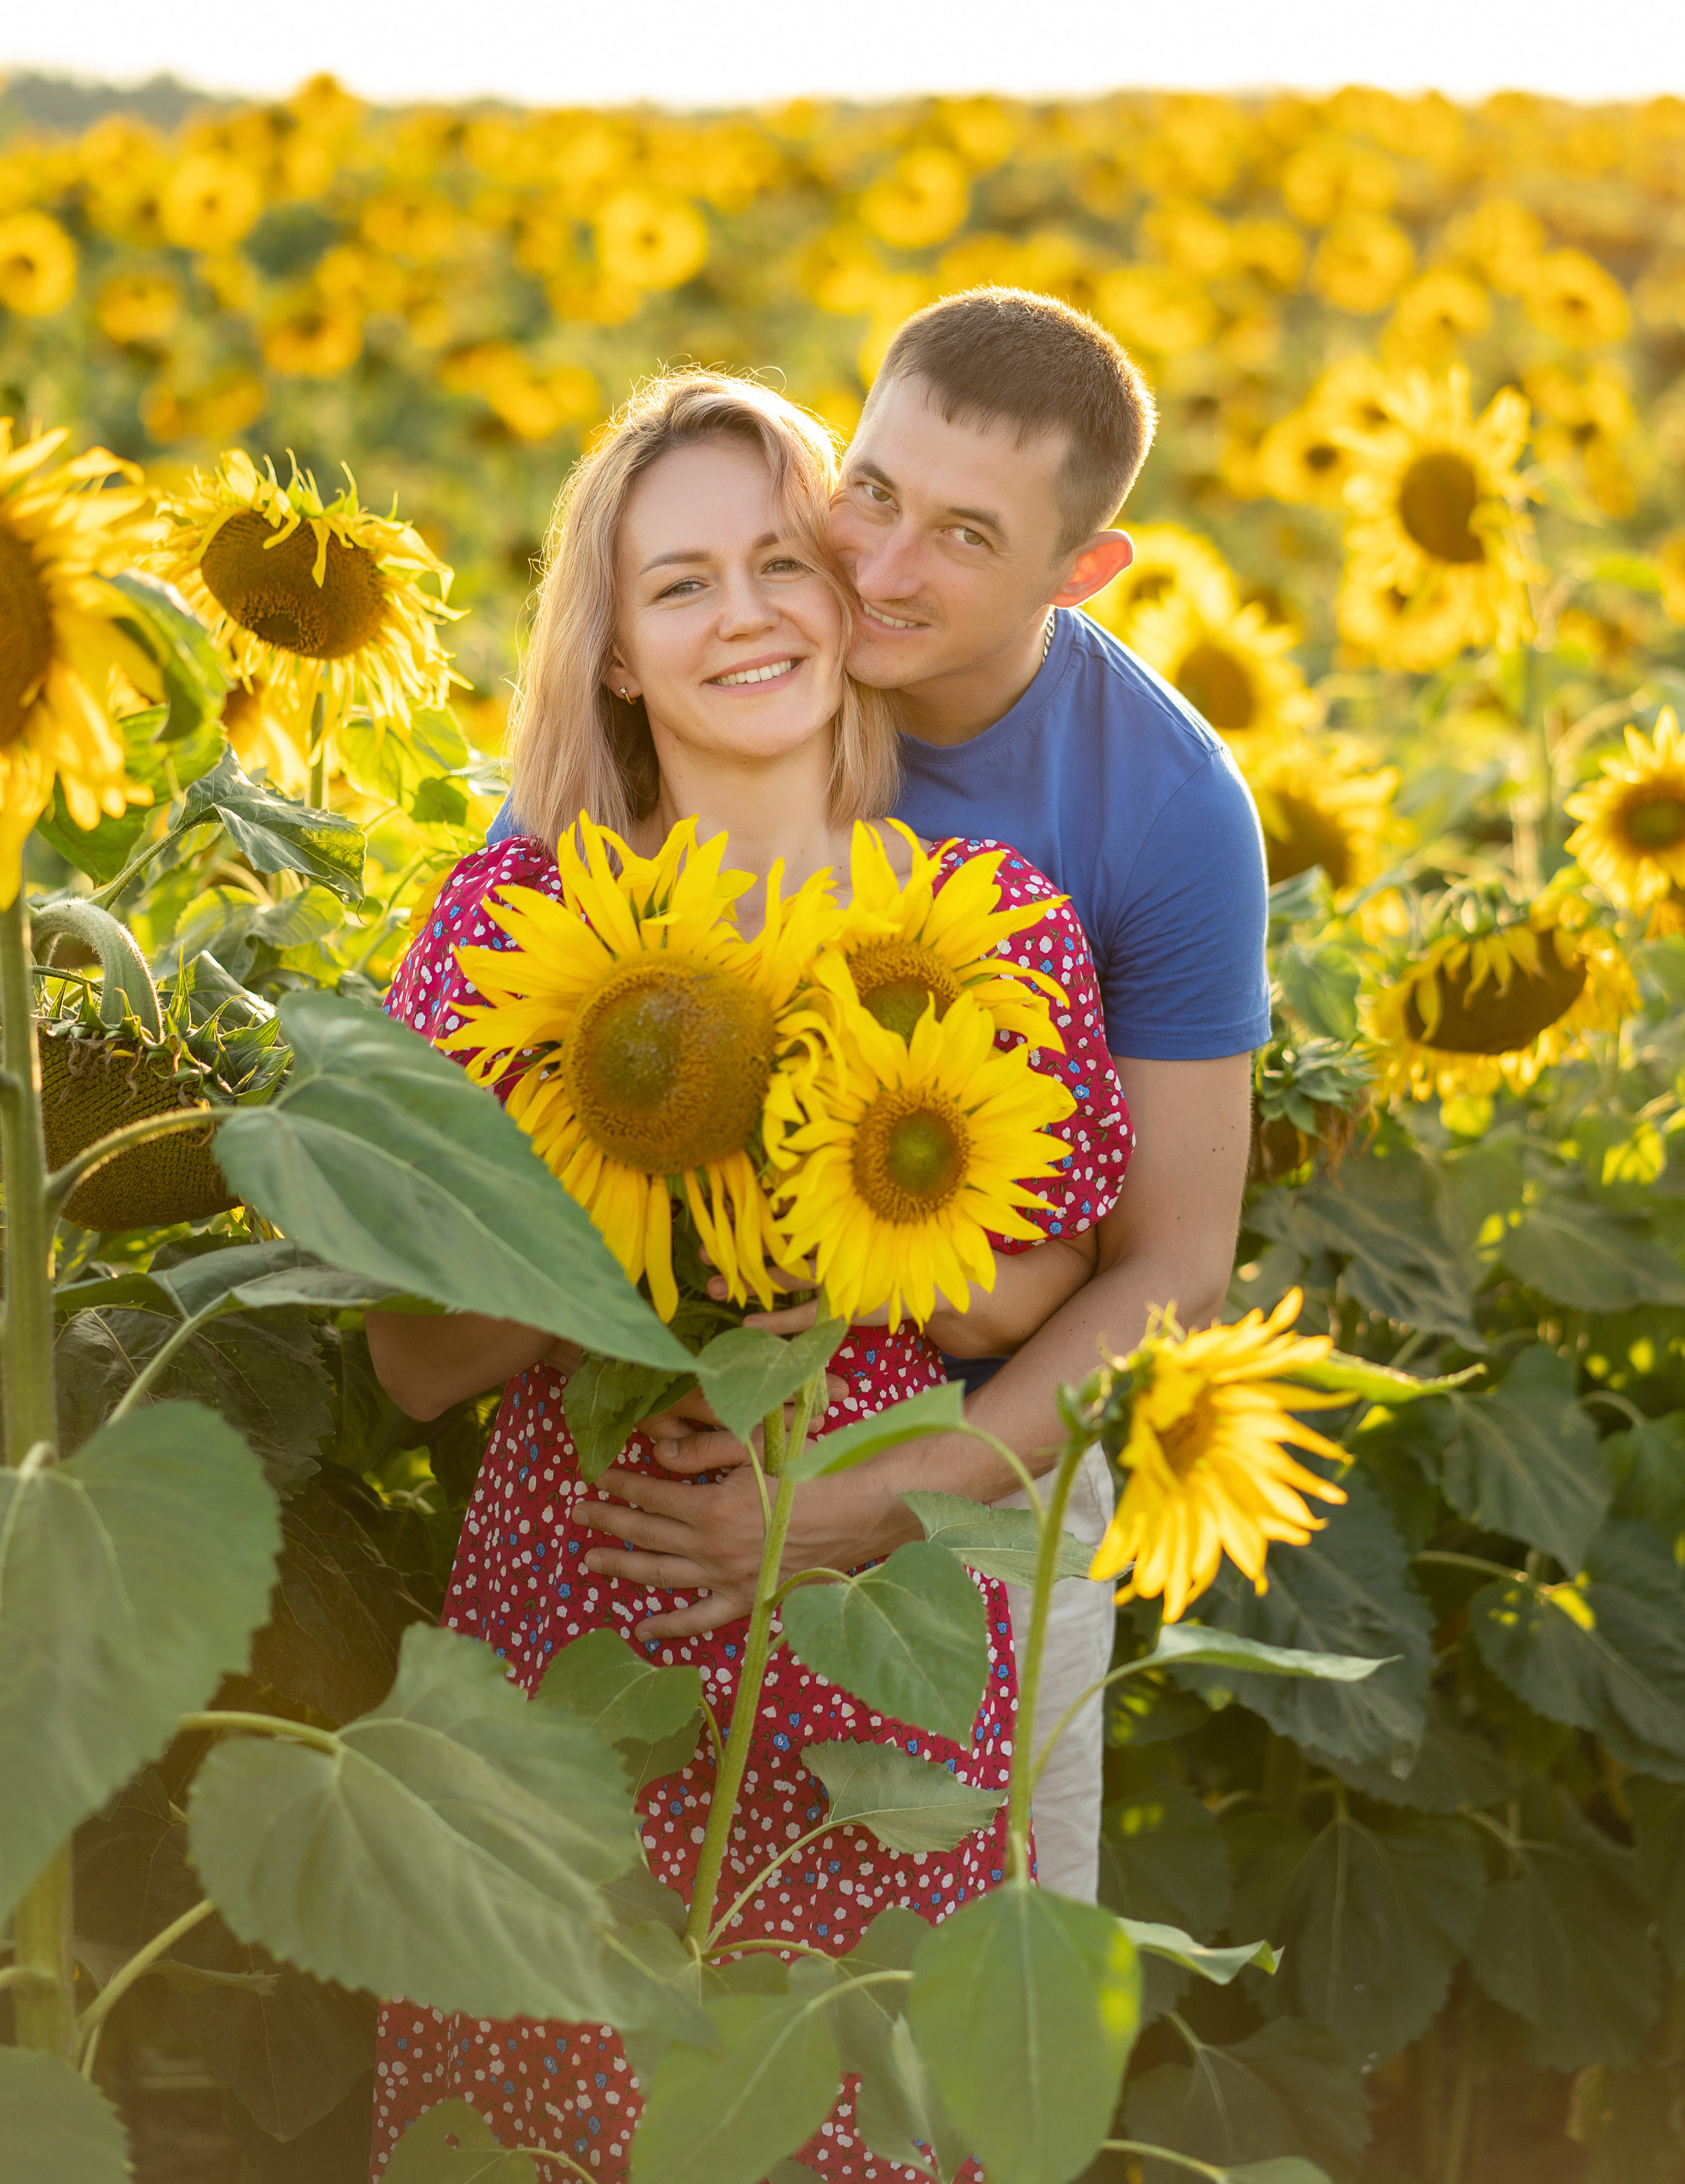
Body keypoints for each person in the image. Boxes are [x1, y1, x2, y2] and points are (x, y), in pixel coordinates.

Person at [364, 369, 1132, 2182]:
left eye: (781, 562)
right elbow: (408, 1356)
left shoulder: (979, 919)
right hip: (579, 1641)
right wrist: (633, 1187)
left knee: (853, 2107)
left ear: (842, 605)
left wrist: (844, 1188)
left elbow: (1046, 1299)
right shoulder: (512, 925)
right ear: (616, 652)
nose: (746, 616)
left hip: (887, 1680)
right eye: (680, 583)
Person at [547, 290, 1271, 1905]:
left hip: (984, 1472)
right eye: (869, 490)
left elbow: (1166, 1268)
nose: (877, 568)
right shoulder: (763, 648)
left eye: (961, 534)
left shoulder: (1157, 808)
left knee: (968, 1975)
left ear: (1077, 574)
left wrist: (851, 1514)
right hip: (674, 1434)